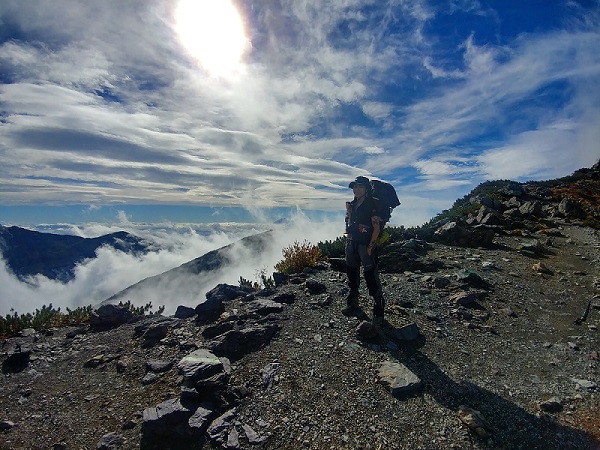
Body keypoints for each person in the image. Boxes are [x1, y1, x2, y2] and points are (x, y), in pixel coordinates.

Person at [342, 176, 386, 324]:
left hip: (365, 244)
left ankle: (379, 309)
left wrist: (370, 246)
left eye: (360, 187)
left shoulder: (371, 204)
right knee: (351, 271)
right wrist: (348, 213)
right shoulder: (353, 204)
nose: (356, 189)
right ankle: (353, 302)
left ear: (366, 189)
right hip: (352, 242)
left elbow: (376, 227)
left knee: (370, 274)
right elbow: (349, 222)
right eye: (355, 187)